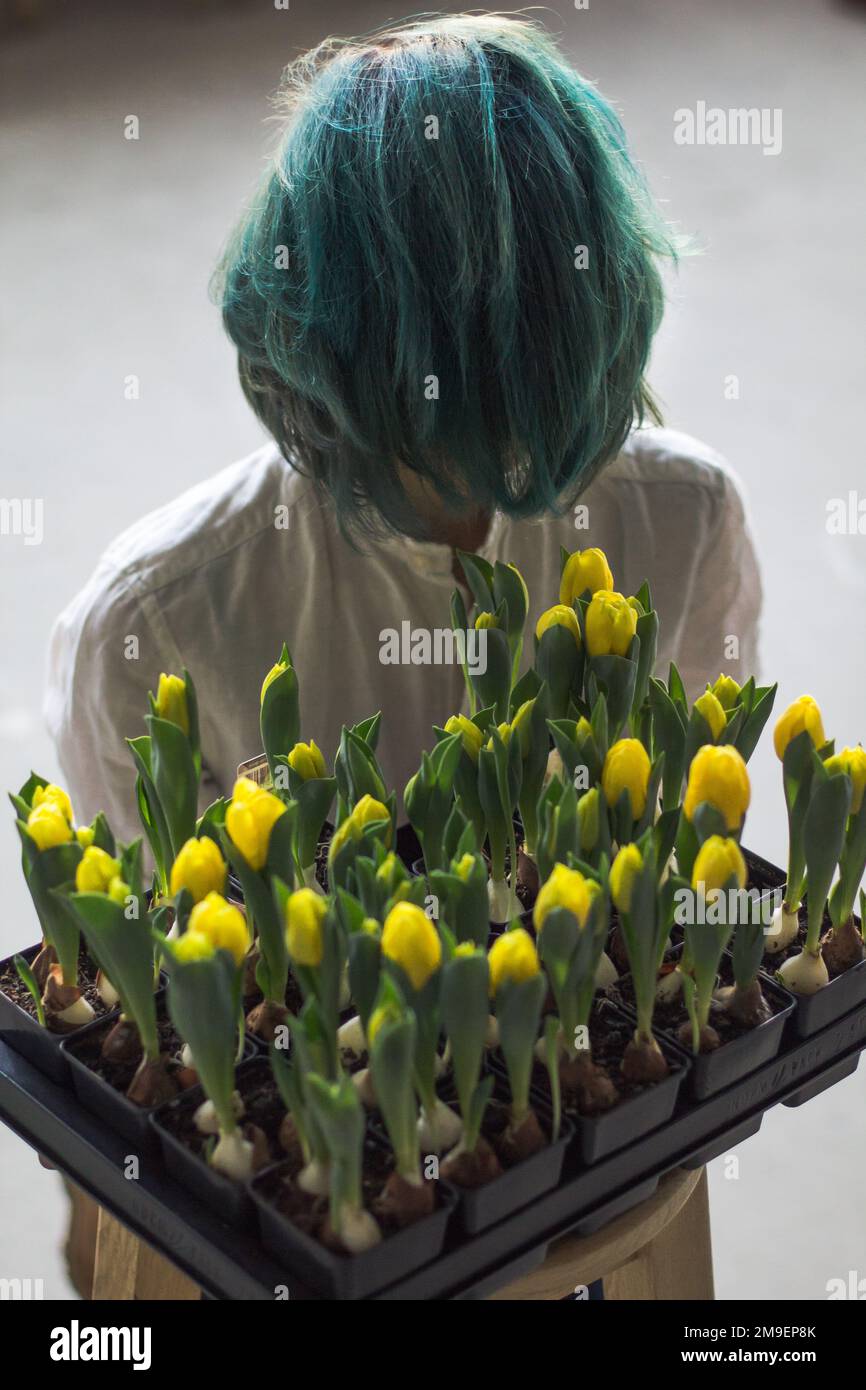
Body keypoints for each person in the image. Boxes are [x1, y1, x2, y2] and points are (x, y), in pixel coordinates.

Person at [47, 10, 760, 873]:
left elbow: (679, 857)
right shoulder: (157, 624)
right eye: (462, 374)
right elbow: (167, 974)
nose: (495, 431)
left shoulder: (685, 519)